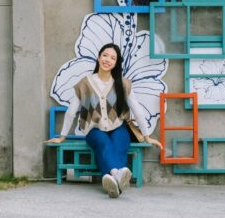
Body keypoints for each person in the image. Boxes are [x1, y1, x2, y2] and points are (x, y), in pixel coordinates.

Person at [47, 43, 163, 197]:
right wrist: (62, 137)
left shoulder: (123, 83)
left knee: (119, 144)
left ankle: (111, 181)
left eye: (113, 58)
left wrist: (147, 136)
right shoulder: (85, 83)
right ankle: (117, 173)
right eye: (105, 55)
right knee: (102, 143)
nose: (108, 59)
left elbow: (137, 109)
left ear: (116, 63)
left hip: (118, 126)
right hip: (94, 130)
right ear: (99, 57)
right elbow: (71, 112)